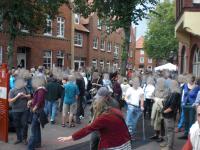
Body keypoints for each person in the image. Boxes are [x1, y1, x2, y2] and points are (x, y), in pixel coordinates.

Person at [57, 98, 132, 150]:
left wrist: (70, 138)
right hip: (126, 142)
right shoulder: (115, 111)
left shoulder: (103, 118)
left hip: (113, 146)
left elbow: (87, 129)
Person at [8, 78, 31, 145]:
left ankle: (24, 139)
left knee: (25, 124)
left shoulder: (25, 88)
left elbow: (29, 96)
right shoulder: (12, 90)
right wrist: (17, 96)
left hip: (25, 110)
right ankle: (19, 138)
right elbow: (10, 100)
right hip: (15, 110)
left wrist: (25, 96)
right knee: (17, 125)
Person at [160, 80, 181, 150]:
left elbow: (172, 107)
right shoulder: (173, 92)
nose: (170, 85)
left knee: (169, 131)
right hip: (167, 115)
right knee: (167, 130)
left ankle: (169, 147)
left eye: (171, 84)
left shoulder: (176, 94)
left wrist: (164, 111)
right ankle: (167, 144)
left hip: (170, 115)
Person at [27, 76, 47, 150]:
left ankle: (30, 147)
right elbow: (36, 100)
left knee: (33, 130)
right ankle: (37, 143)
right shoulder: (40, 89)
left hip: (37, 112)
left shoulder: (41, 90)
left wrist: (34, 108)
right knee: (37, 129)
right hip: (38, 111)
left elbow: (39, 101)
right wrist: (31, 101)